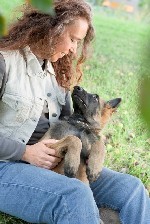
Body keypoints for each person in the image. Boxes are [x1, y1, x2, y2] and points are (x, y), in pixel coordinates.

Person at [0, 0, 149, 223]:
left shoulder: (56, 74)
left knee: (131, 188)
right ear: (51, 28)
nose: (73, 49)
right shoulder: (5, 61)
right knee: (74, 195)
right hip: (7, 167)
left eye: (78, 43)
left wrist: (93, 149)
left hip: (54, 165)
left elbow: (71, 129)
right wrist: (25, 152)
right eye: (72, 39)